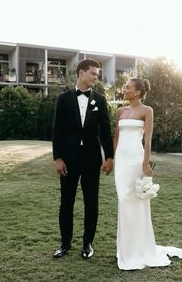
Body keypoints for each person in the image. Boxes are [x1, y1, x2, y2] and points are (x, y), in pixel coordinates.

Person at [113, 78, 182, 270]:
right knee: (123, 200)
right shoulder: (120, 111)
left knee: (136, 202)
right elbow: (116, 136)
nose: (124, 90)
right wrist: (114, 159)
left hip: (136, 160)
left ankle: (138, 249)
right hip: (121, 162)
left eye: (128, 87)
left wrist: (146, 162)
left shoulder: (147, 111)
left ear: (137, 92)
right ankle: (125, 249)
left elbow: (147, 139)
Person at [52, 58, 114, 259]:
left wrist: (109, 157)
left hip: (91, 160)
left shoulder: (100, 100)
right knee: (66, 202)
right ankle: (64, 243)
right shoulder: (63, 99)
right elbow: (57, 131)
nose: (96, 77)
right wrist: (58, 158)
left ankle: (87, 243)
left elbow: (105, 131)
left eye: (97, 74)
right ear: (81, 73)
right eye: (93, 73)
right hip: (68, 160)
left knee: (91, 202)